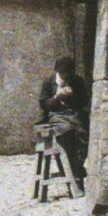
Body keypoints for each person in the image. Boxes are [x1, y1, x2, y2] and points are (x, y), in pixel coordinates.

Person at [38, 54, 89, 189]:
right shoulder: (49, 82)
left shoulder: (77, 81)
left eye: (67, 74)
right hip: (57, 115)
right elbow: (44, 104)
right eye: (62, 73)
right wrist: (56, 97)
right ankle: (76, 172)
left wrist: (72, 96)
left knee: (84, 134)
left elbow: (84, 101)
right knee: (66, 132)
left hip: (75, 114)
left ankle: (77, 167)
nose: (65, 76)